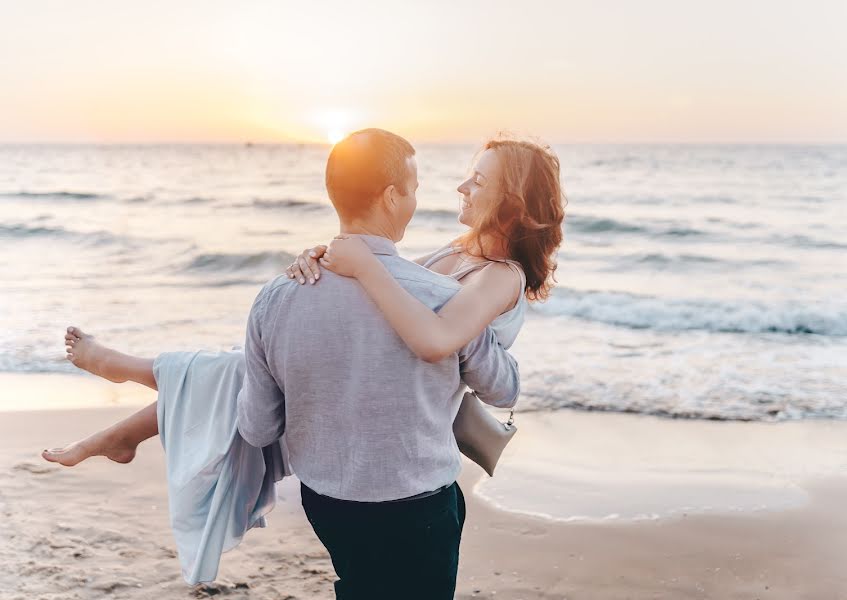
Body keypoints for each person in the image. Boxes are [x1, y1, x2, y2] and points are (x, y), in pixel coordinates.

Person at [43, 129, 565, 597]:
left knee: (241, 372)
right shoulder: (454, 255)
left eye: (477, 180)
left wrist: (358, 264)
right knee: (240, 369)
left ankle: (141, 384)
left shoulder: (501, 275)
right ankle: (135, 399)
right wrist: (330, 261)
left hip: (336, 492)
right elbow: (394, 296)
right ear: (392, 195)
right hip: (411, 495)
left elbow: (453, 348)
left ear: (514, 202)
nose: (460, 187)